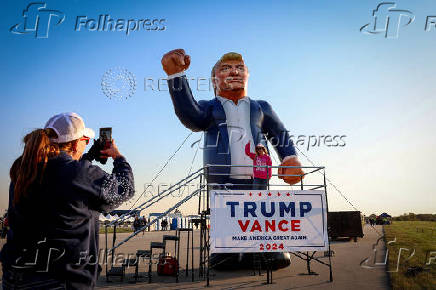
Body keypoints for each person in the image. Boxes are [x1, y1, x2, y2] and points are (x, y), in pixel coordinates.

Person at [0, 112, 135, 289]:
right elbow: (125, 189)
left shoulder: (23, 172)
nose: (86, 145)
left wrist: (87, 158)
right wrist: (118, 157)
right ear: (74, 144)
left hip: (16, 278)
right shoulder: (79, 174)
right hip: (61, 281)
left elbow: (64, 183)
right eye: (85, 140)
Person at [161, 49, 304, 188]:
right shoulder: (209, 107)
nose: (235, 72)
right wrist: (176, 76)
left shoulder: (261, 107)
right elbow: (191, 117)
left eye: (240, 68)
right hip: (221, 184)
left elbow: (279, 133)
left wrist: (290, 158)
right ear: (214, 80)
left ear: (247, 75)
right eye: (225, 68)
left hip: (259, 181)